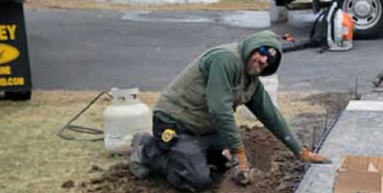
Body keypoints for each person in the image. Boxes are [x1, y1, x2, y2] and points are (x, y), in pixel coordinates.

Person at [129, 30, 330, 191]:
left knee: (229, 166)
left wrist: (300, 151)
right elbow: (220, 109)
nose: (263, 60)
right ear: (252, 47)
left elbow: (271, 115)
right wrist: (237, 152)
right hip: (175, 123)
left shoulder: (251, 81)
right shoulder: (225, 59)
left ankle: (193, 153)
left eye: (269, 60)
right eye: (262, 51)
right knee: (198, 181)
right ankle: (147, 149)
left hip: (204, 129)